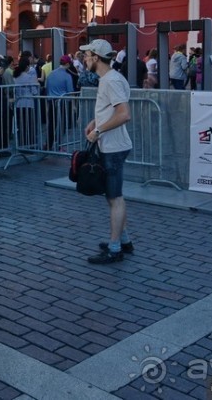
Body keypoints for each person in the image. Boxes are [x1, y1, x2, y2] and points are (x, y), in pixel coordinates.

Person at [79, 39, 133, 265]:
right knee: (114, 197)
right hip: (112, 145)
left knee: (114, 198)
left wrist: (99, 129)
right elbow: (113, 109)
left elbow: (124, 114)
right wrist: (96, 120)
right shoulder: (112, 78)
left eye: (87, 55)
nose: (84, 59)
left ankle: (114, 248)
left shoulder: (110, 81)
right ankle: (123, 241)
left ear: (96, 57)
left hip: (113, 147)